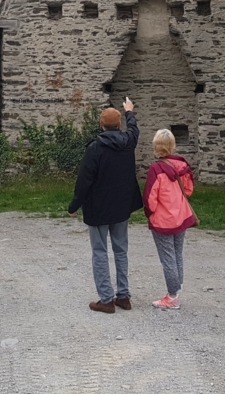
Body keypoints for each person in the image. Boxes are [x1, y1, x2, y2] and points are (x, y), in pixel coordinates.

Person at [68, 97, 144, 313]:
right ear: (119, 124)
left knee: (100, 251)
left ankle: (106, 299)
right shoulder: (128, 142)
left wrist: (74, 205)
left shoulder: (95, 148)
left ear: (101, 124)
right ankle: (124, 296)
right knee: (121, 250)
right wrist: (129, 111)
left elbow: (84, 180)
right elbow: (134, 129)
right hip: (121, 206)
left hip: (98, 207)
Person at [143, 128, 197, 310]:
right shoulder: (182, 165)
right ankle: (177, 288)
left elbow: (150, 199)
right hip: (181, 215)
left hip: (163, 219)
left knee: (167, 257)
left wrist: (150, 213)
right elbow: (188, 190)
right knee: (177, 253)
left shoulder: (156, 169)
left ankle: (172, 296)